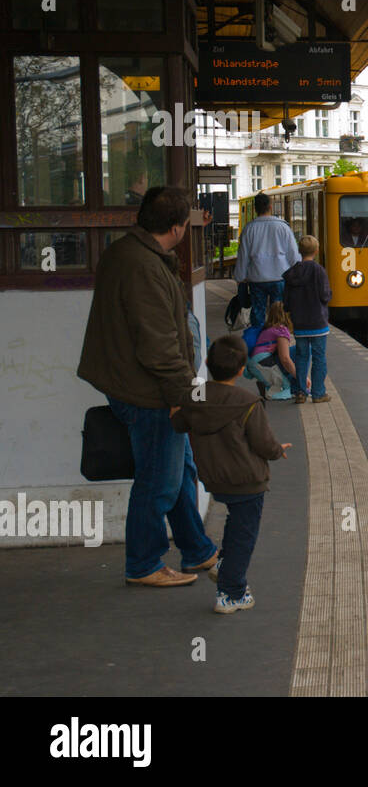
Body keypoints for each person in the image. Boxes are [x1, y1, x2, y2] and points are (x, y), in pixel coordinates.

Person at [77, 186, 217, 587]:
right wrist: (181, 398)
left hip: (136, 382)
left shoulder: (128, 253)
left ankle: (198, 550)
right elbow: (159, 346)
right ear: (176, 228)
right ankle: (144, 564)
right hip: (148, 392)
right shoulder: (144, 267)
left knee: (179, 469)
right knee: (159, 480)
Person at [171, 335, 290, 614]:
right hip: (248, 481)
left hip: (215, 480)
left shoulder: (196, 398)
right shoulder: (248, 402)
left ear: (208, 363)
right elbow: (263, 443)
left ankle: (224, 564)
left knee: (236, 528)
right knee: (243, 535)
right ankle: (231, 593)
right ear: (241, 369)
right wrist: (277, 451)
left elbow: (178, 423)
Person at [233, 192, 299, 328]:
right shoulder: (283, 227)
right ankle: (278, 342)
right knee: (279, 313)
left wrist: (239, 277)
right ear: (270, 207)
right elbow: (293, 254)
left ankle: (259, 342)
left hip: (257, 278)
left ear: (255, 209)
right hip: (279, 277)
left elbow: (243, 256)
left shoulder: (249, 229)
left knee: (258, 313)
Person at [283, 235, 332, 404]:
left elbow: (286, 303)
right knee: (319, 357)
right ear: (316, 251)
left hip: (299, 324)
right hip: (318, 322)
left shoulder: (291, 274)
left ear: (299, 251)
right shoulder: (319, 271)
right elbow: (325, 296)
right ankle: (318, 393)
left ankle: (301, 393)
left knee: (301, 357)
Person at [247, 302, 297, 400]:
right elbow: (285, 359)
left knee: (281, 385)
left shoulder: (268, 329)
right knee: (287, 388)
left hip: (257, 361)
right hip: (263, 362)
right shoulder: (281, 330)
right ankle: (272, 392)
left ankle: (267, 385)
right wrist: (300, 377)